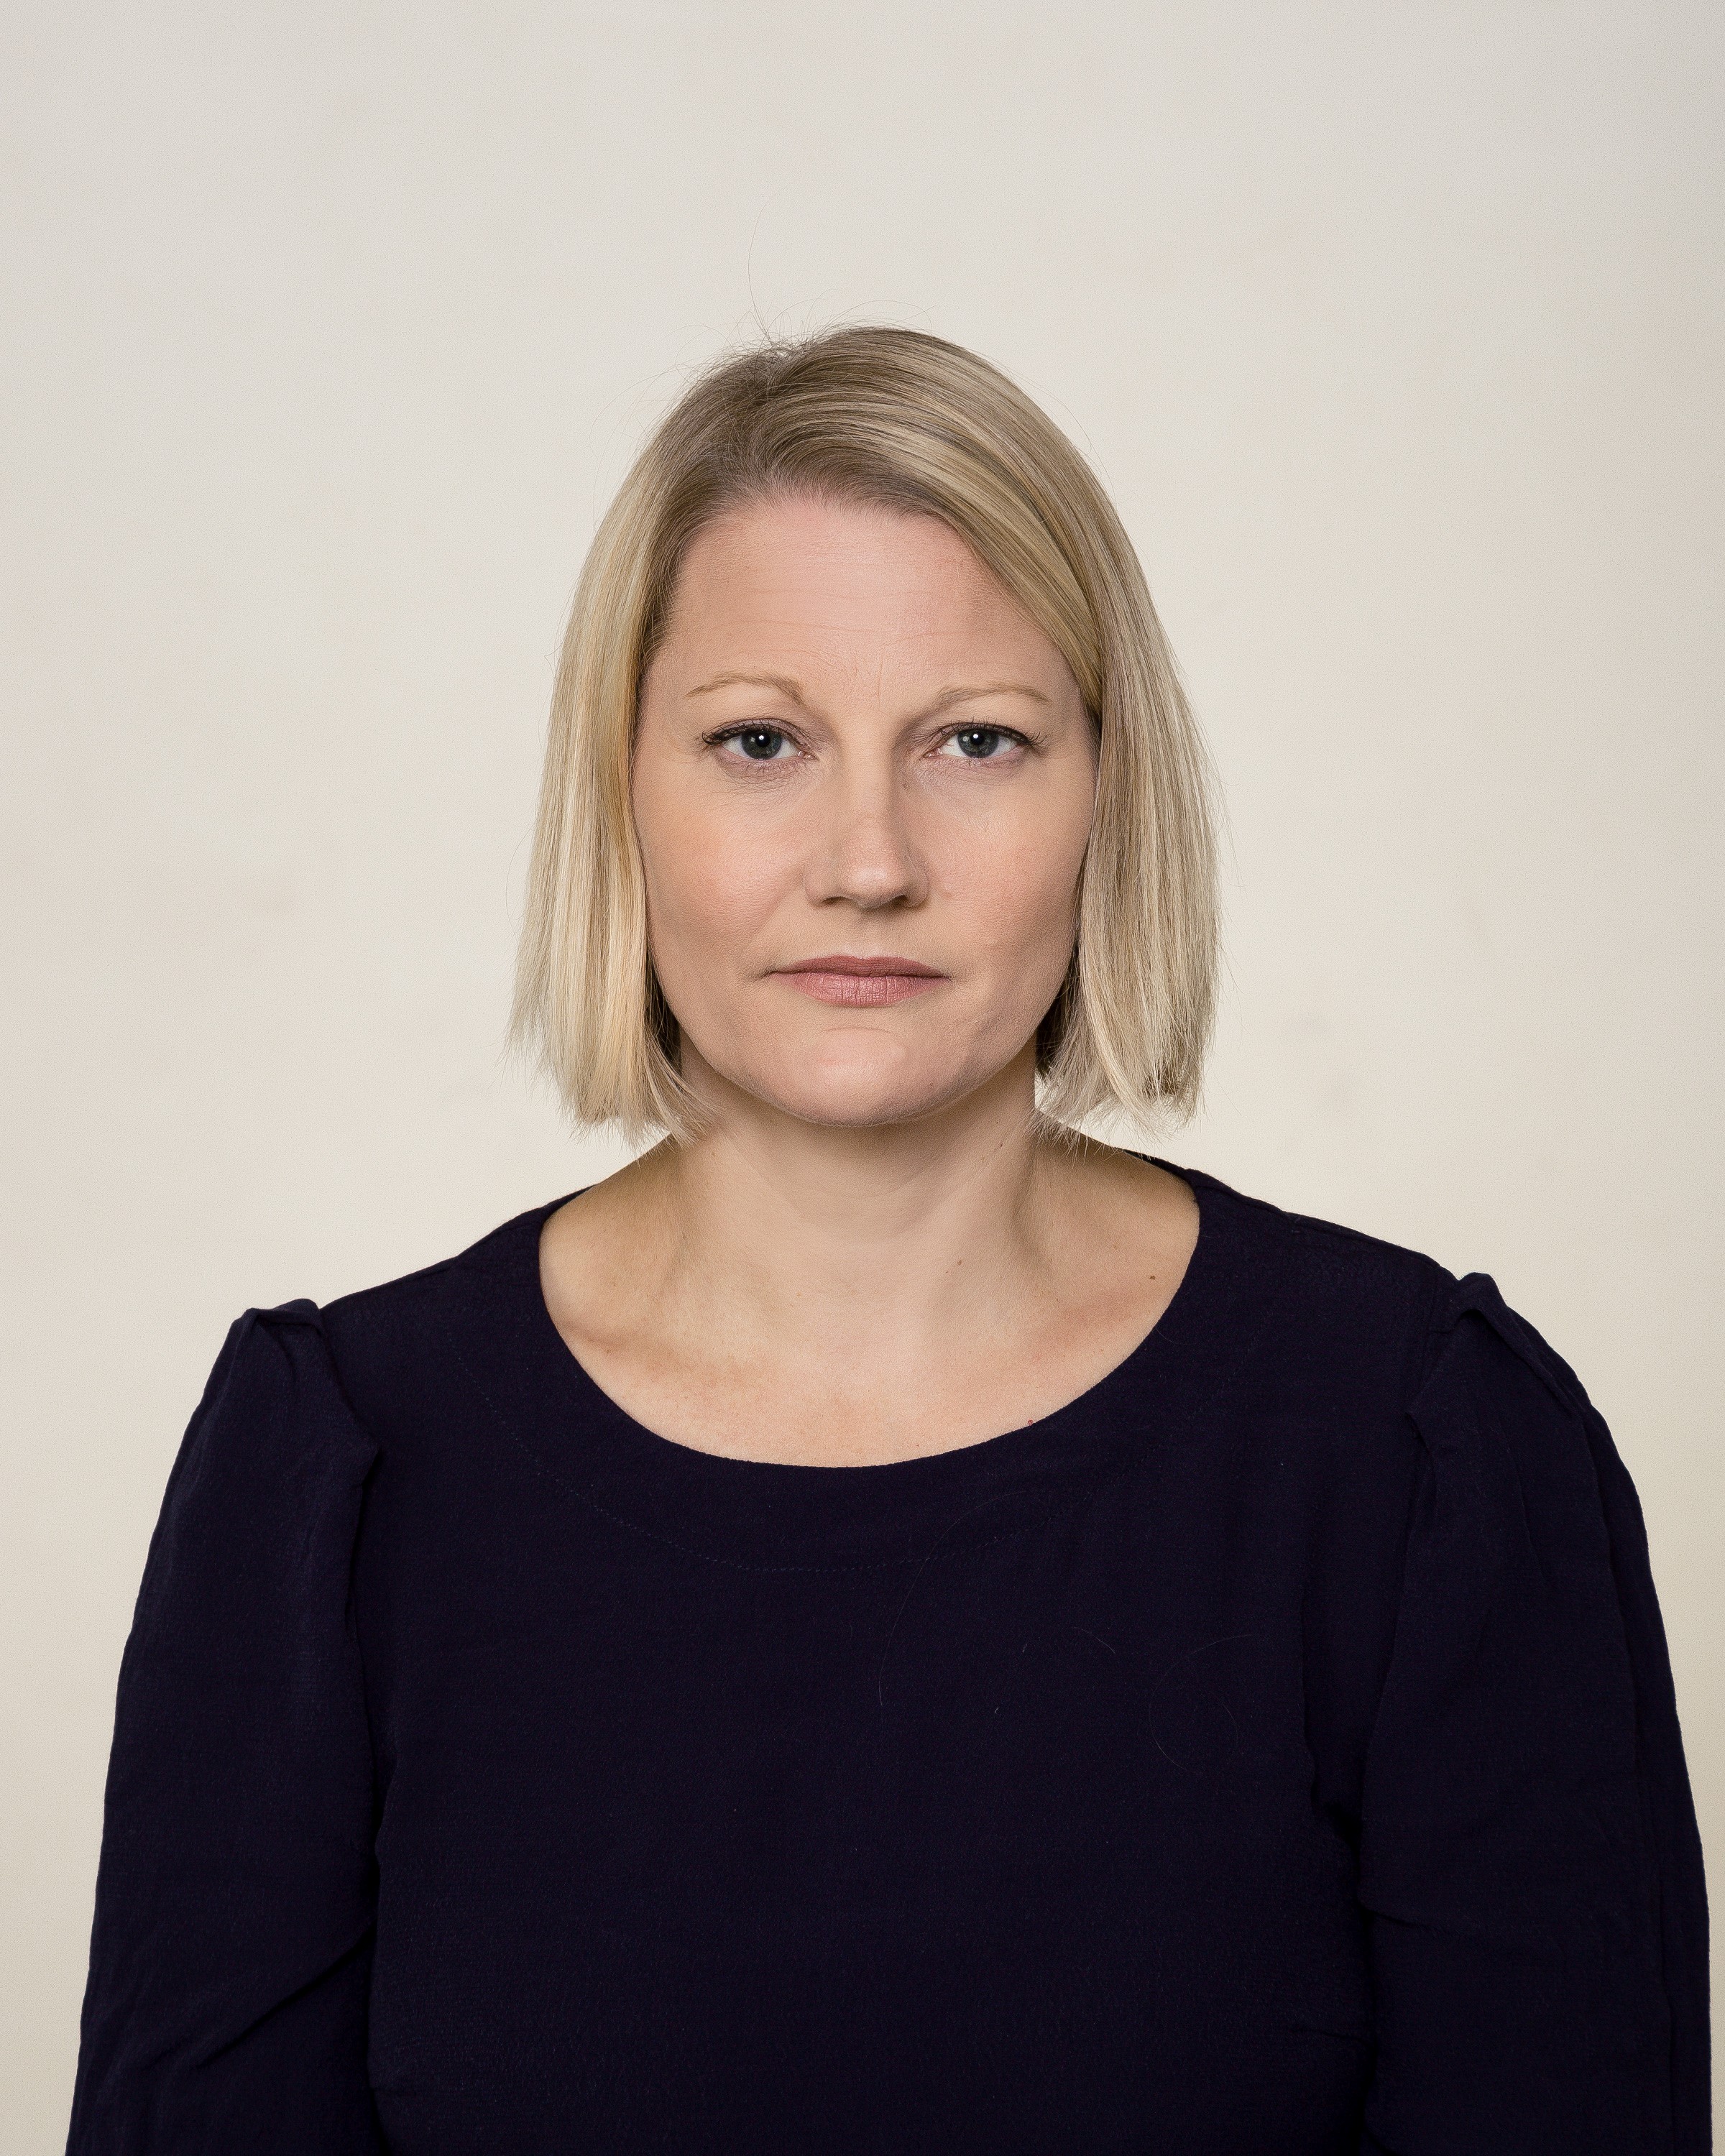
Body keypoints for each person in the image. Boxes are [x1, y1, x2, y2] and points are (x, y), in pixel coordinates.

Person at [66, 327, 1708, 2154]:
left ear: (1108, 796)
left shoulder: (1422, 1459)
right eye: (759, 742)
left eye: (976, 741)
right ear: (624, 793)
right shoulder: (340, 1477)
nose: (869, 859)